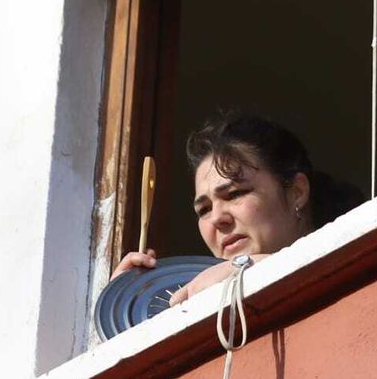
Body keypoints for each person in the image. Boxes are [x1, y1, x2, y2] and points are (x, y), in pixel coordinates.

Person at [112, 113, 364, 304]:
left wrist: (248, 267)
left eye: (235, 194)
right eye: (204, 210)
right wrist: (125, 305)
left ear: (297, 192)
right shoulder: (204, 305)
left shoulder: (358, 270)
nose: (217, 218)